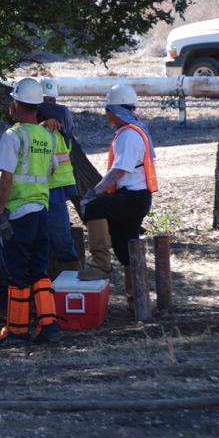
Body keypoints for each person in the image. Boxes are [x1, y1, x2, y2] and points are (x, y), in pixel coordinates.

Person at [0, 78, 60, 348]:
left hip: (19, 213)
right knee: (39, 270)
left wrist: (0, 213)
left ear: (17, 104)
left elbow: (6, 179)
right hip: (43, 212)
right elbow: (51, 170)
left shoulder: (13, 135)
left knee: (18, 272)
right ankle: (48, 325)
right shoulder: (48, 136)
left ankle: (17, 332)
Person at [79, 84, 157, 307]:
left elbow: (119, 170)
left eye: (107, 110)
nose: (106, 115)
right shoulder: (135, 131)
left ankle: (100, 264)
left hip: (133, 197)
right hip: (136, 197)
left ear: (114, 110)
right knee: (125, 248)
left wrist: (95, 192)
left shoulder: (128, 135)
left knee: (94, 208)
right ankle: (137, 301)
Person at [37, 77, 81, 274]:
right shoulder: (43, 127)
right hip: (42, 191)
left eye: (51, 102)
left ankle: (71, 284)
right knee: (43, 240)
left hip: (54, 190)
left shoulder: (57, 128)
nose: (49, 106)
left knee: (61, 239)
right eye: (45, 102)